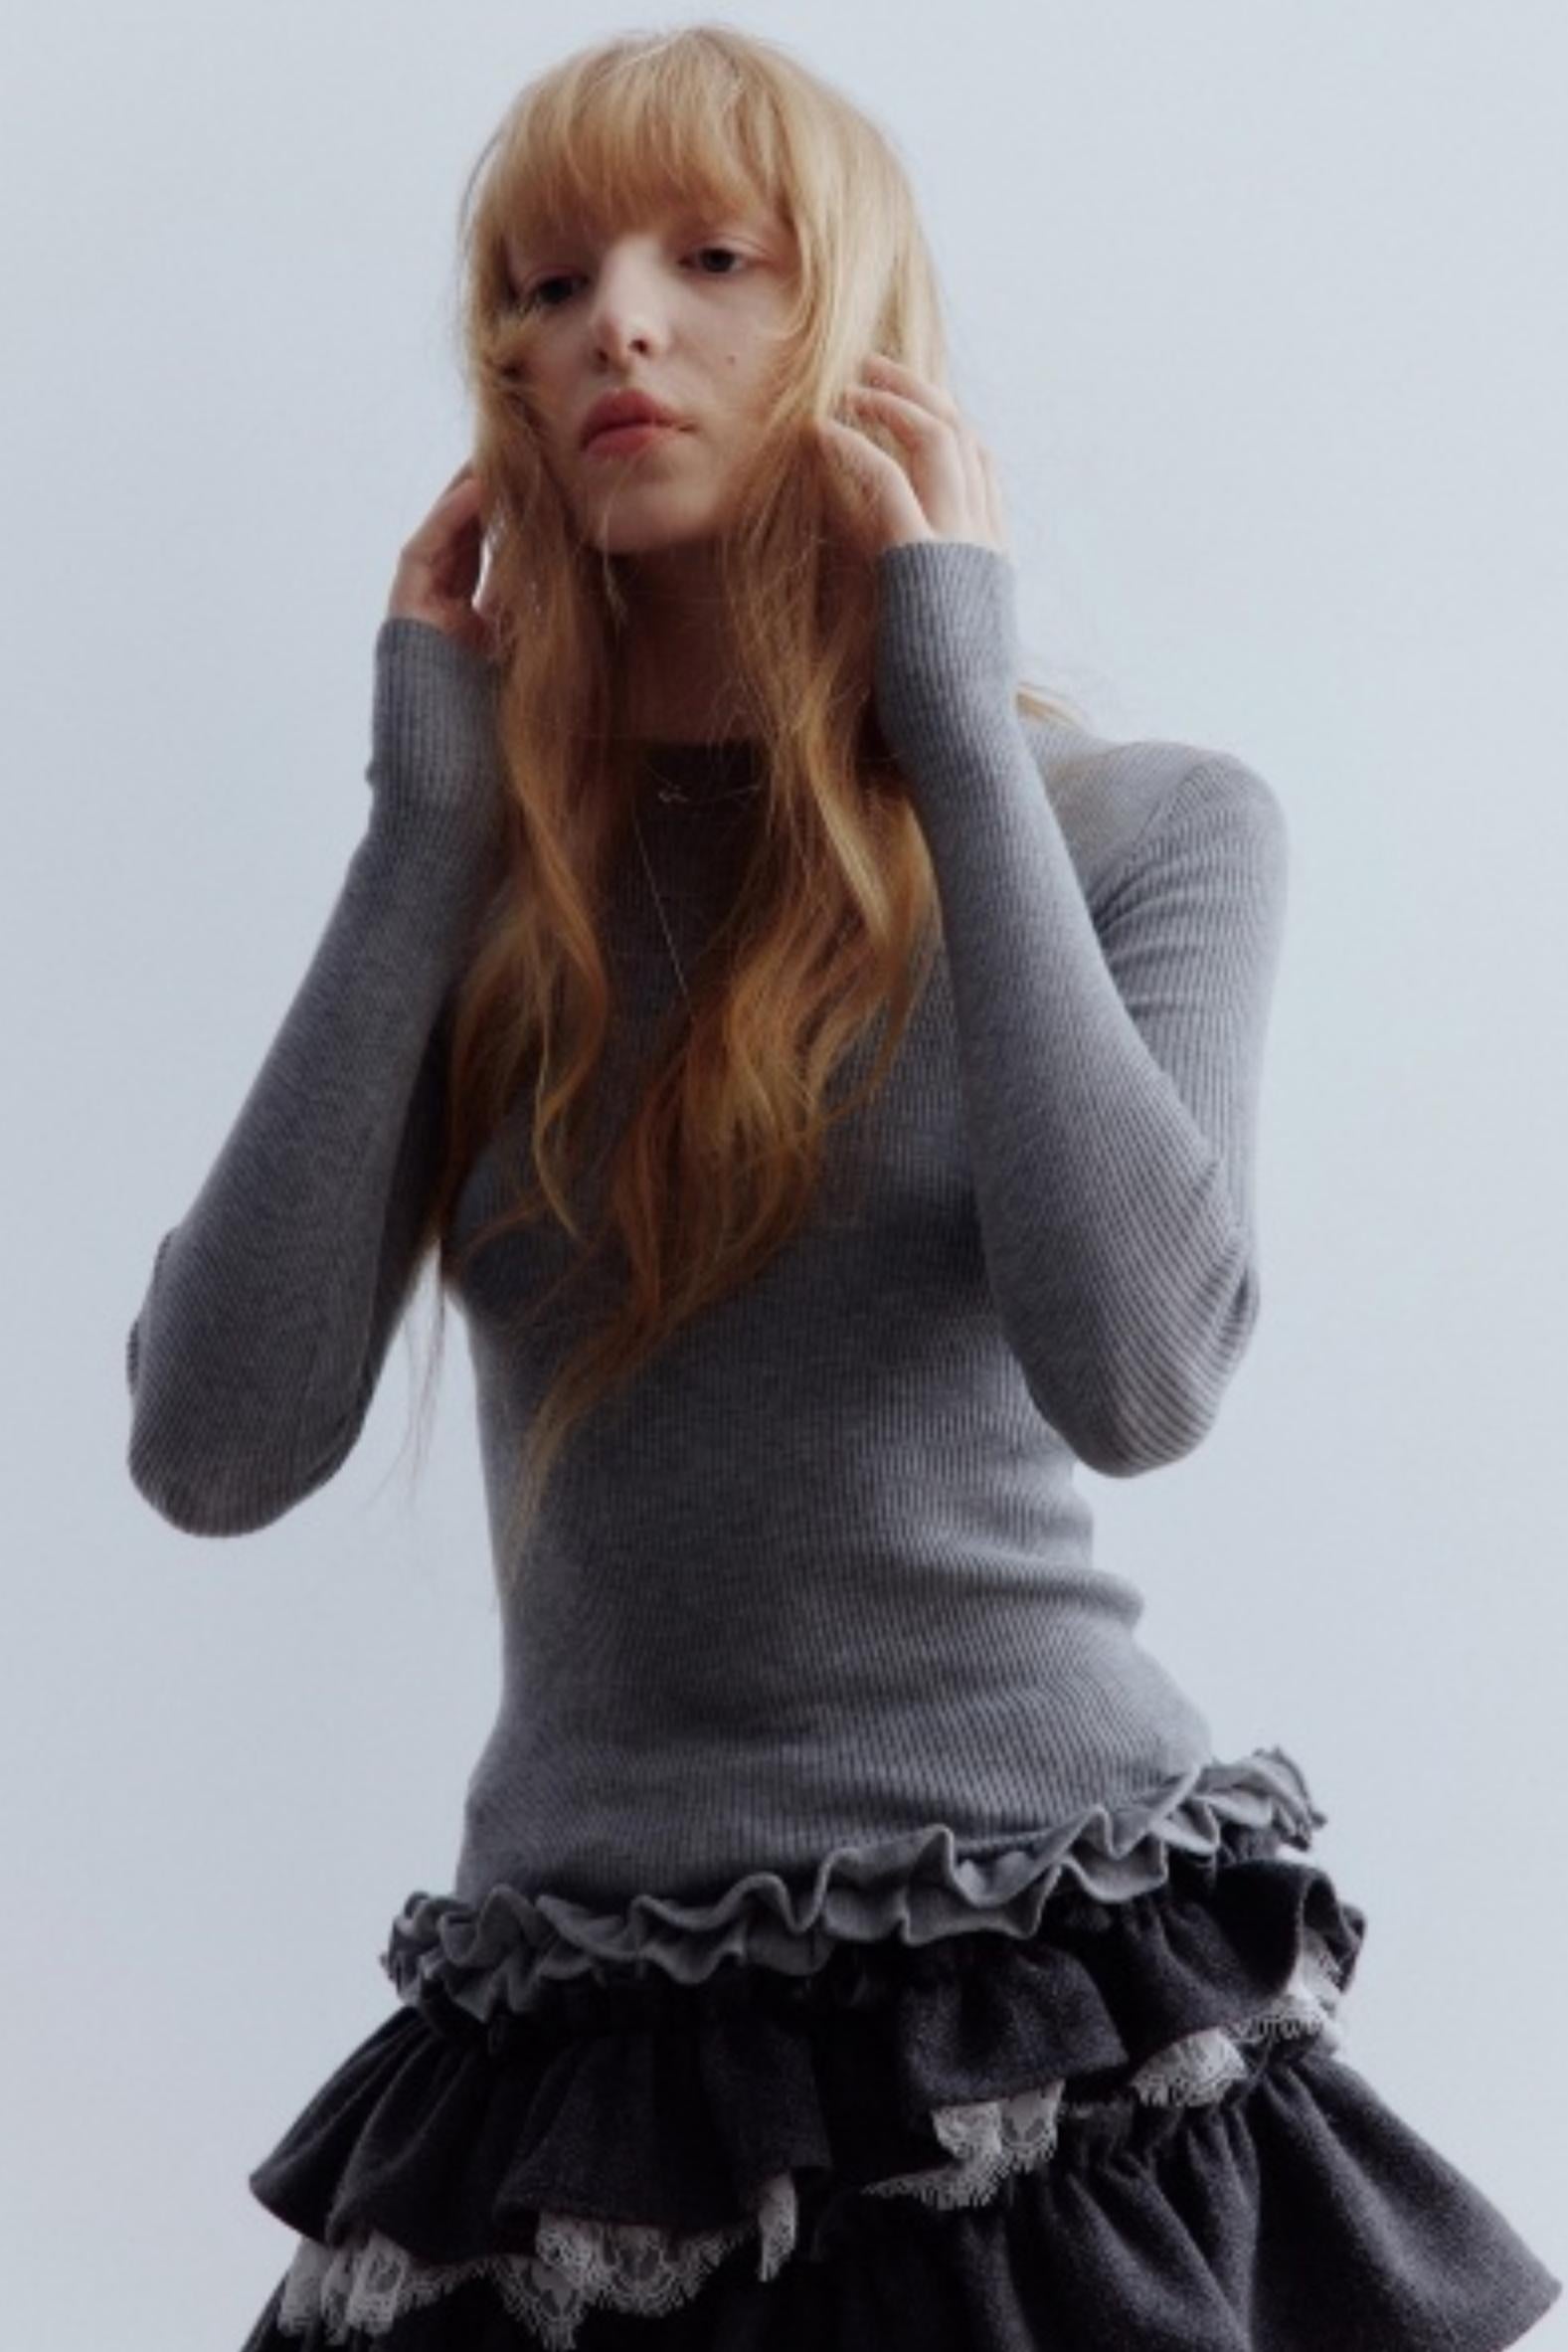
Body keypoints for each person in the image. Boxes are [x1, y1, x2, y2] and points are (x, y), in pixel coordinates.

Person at [124, 25, 1561, 2351]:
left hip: (1029, 2012)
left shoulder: (1148, 832)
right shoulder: (482, 906)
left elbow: (1143, 1376)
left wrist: (955, 725)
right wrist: (419, 836)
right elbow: (212, 1447)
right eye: (548, 282)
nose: (618, 323)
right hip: (576, 2046)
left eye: (717, 260)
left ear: (860, 326)